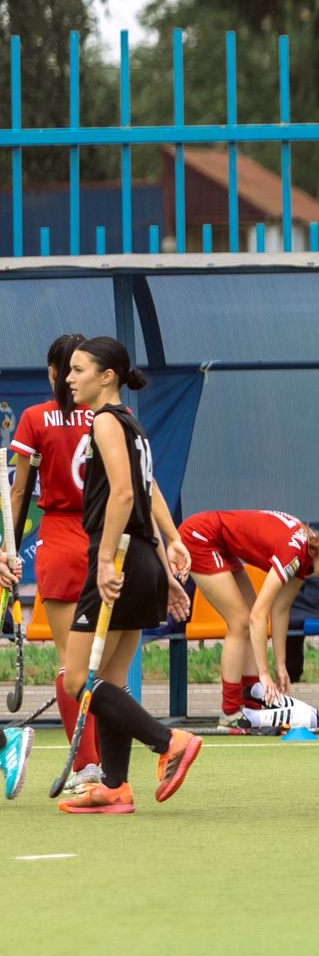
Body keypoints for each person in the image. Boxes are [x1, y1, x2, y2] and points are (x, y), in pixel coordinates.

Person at [51, 338, 202, 813]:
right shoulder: (133, 425)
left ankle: (168, 741)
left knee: (78, 679)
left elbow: (122, 497)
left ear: (107, 376)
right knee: (111, 682)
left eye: (78, 370)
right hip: (139, 557)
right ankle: (114, 786)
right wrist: (170, 548)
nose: (69, 378)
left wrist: (101, 562)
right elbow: (148, 490)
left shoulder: (104, 422)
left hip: (116, 556)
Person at [12, 334, 105, 787]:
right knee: (104, 664)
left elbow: (18, 491)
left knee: (71, 663)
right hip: (104, 543)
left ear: (53, 372)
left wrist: (9, 550)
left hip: (61, 544)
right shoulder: (108, 417)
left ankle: (86, 768)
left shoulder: (33, 418)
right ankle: (109, 767)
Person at [176, 509, 319, 725]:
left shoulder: (309, 555)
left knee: (247, 617)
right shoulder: (294, 553)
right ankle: (229, 712)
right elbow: (258, 616)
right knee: (240, 622)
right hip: (199, 537)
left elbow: (281, 609)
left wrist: (280, 664)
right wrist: (264, 673)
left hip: (219, 543)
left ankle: (251, 703)